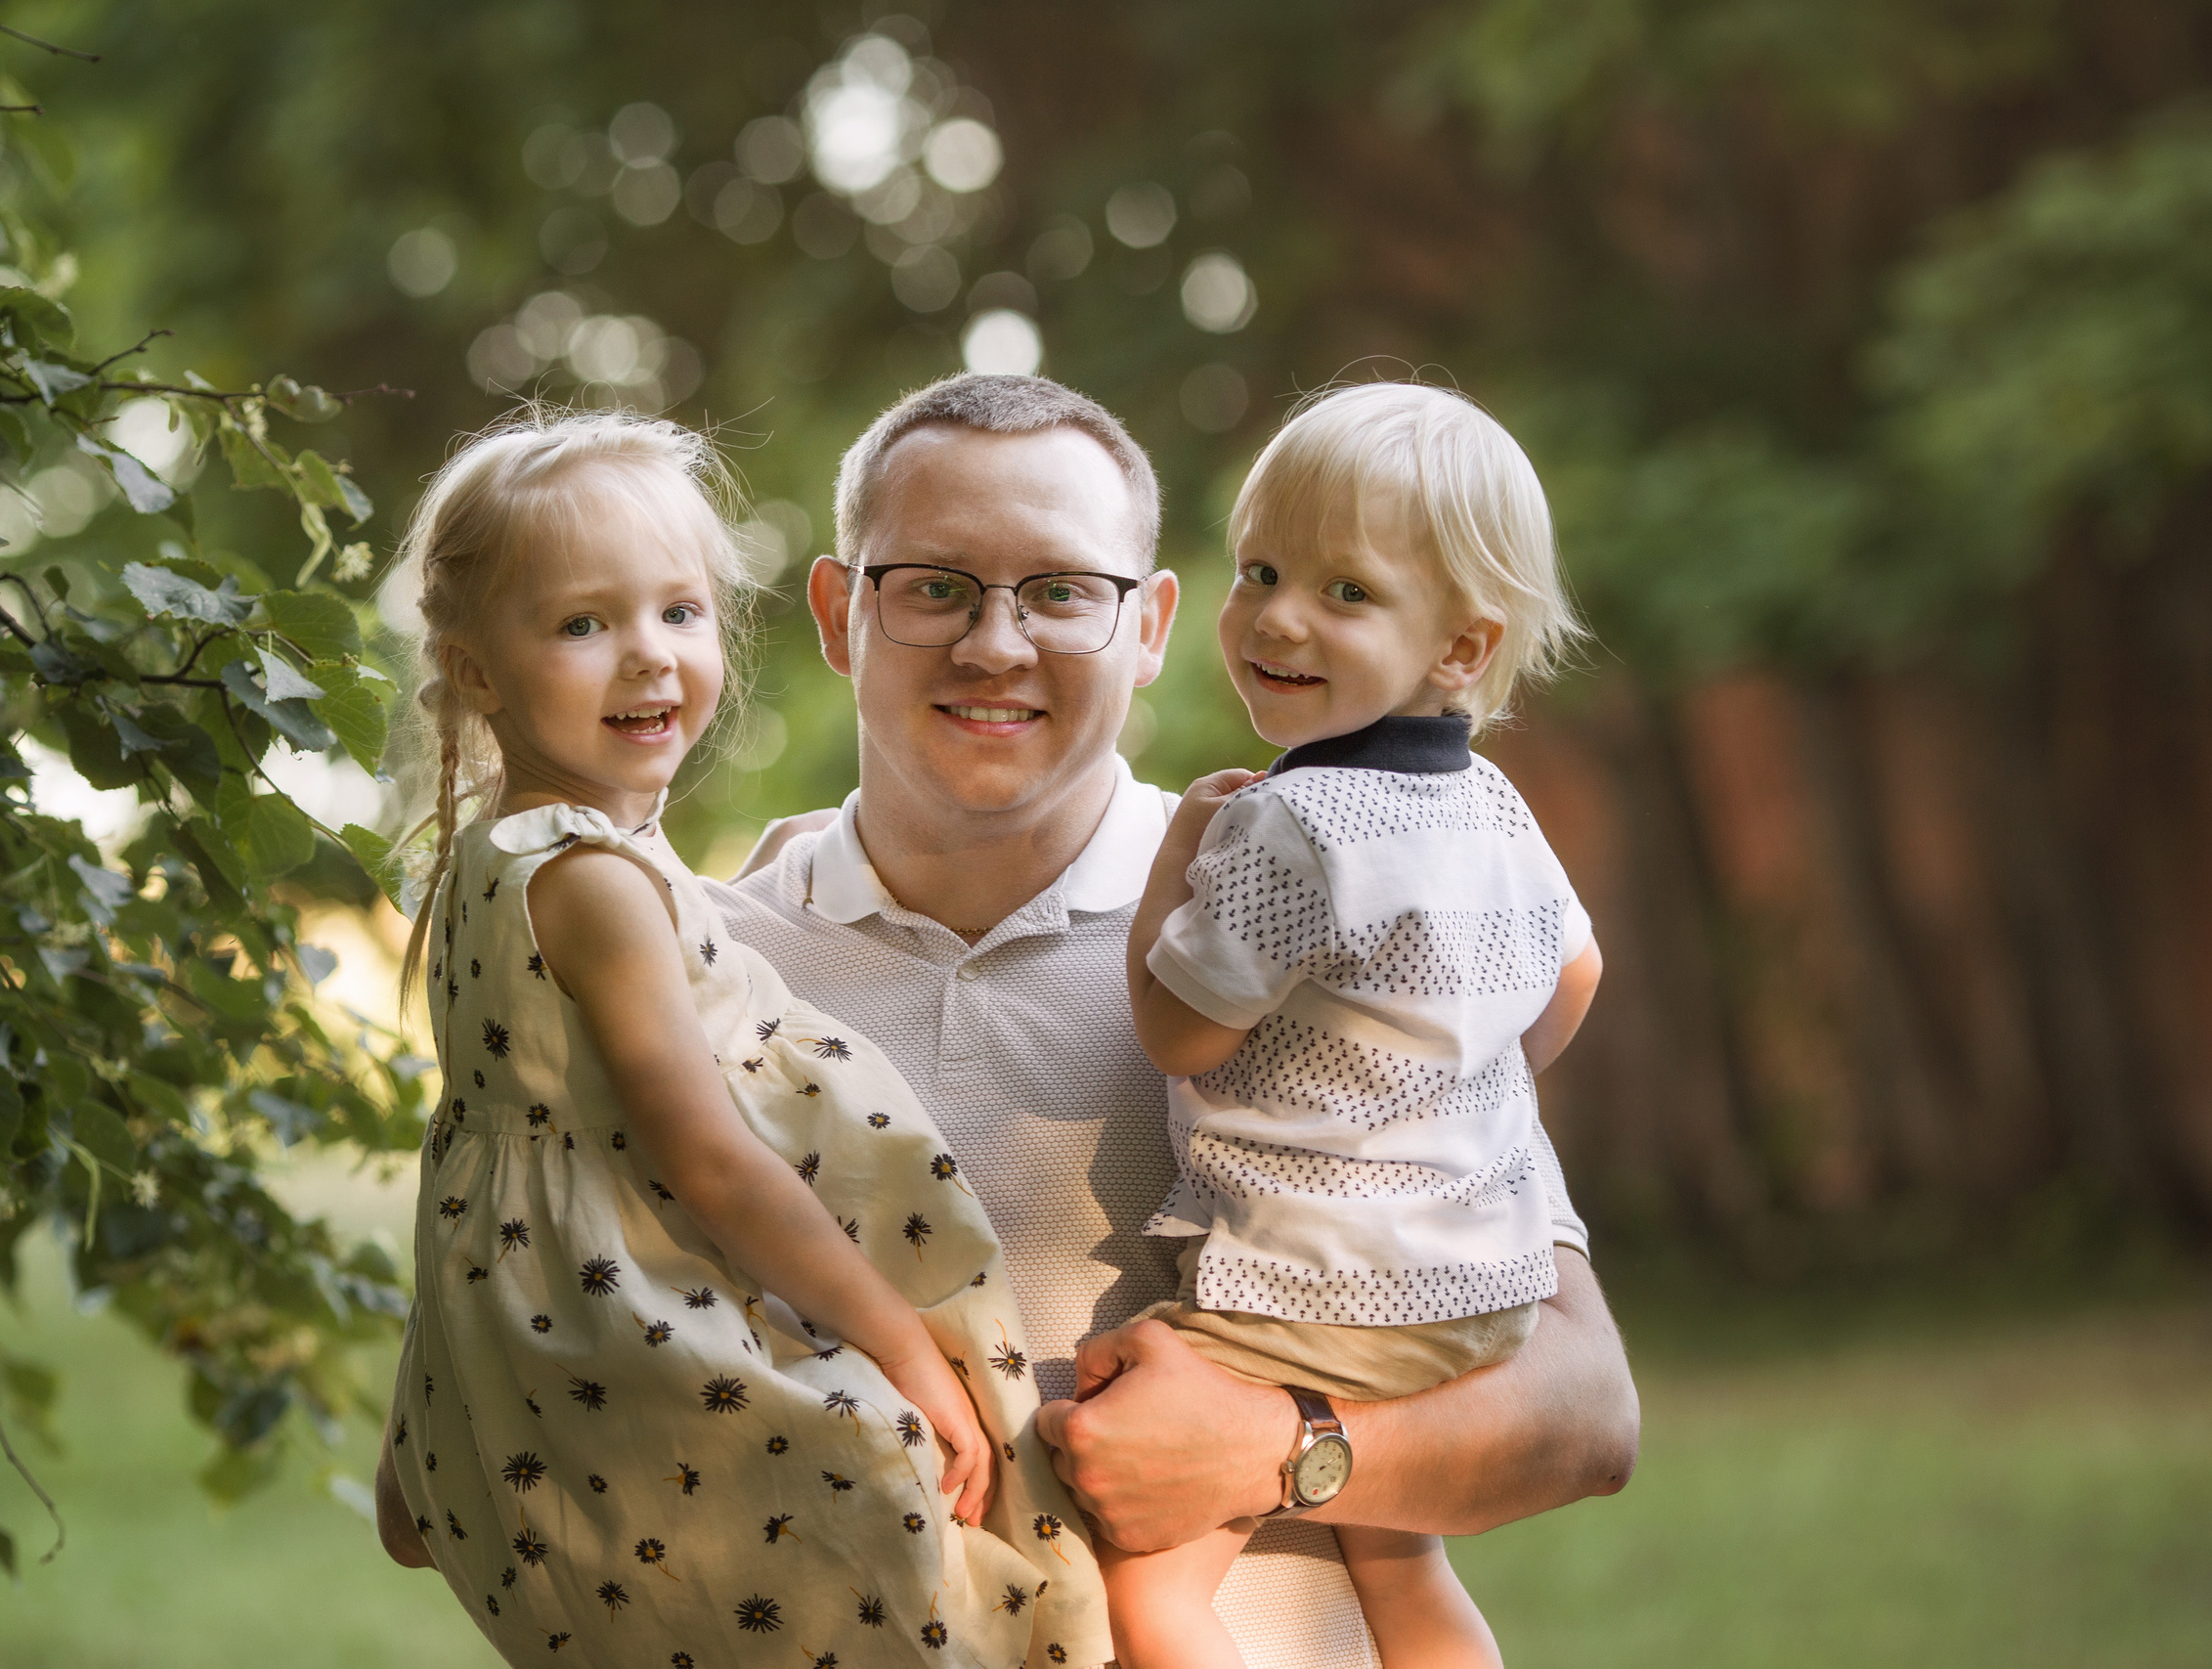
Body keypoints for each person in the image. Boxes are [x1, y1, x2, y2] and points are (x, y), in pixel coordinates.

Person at [714, 373, 1639, 1669]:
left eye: (1061, 591)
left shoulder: (1338, 937)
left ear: (1150, 625)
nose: (995, 644)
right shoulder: (680, 973)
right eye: (932, 585)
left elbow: (1589, 1418)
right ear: (834, 611)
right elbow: (458, 1458)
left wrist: (1285, 1448)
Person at [368, 409, 1110, 1669]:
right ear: (479, 672)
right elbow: (709, 1161)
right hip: (648, 1322)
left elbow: (479, 1157)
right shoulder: (589, 880)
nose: (648, 659)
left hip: (563, 1323)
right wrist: (901, 1349)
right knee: (892, 1536)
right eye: (582, 624)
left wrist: (431, 1412)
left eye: (680, 612)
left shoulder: (487, 861)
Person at [1102, 381, 1602, 1668]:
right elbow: (1576, 977)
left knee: (1153, 1587)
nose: (1276, 616)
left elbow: (1180, 1034)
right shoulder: (1495, 805)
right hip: (1482, 1289)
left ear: (1461, 649)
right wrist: (1460, 1086)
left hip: (1313, 1282)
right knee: (1400, 1560)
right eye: (1260, 570)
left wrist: (1175, 861)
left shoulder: (1288, 825)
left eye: (1345, 593)